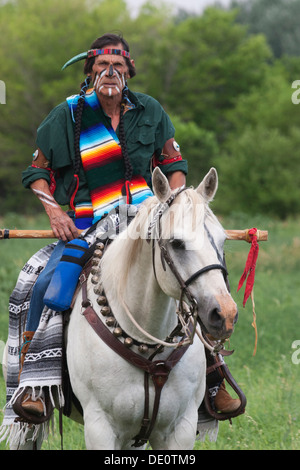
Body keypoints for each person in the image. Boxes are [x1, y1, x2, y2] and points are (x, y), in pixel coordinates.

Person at [18, 33, 241, 420]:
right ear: (90, 72)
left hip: (147, 223)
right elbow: (37, 172)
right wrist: (56, 213)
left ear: (128, 72)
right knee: (45, 284)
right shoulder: (67, 115)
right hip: (88, 226)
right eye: (102, 66)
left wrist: (175, 209)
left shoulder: (151, 111)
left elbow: (174, 167)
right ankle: (37, 384)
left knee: (196, 278)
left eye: (118, 67)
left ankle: (214, 376)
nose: (110, 73)